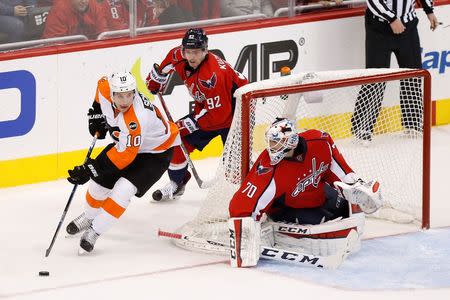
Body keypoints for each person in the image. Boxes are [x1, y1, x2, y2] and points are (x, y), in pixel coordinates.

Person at [228, 118, 383, 267]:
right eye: (270, 142)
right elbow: (240, 205)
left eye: (276, 142)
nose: (271, 148)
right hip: (287, 208)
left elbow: (342, 171)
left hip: (317, 195)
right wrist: (244, 235)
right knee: (322, 220)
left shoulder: (320, 141)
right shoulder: (268, 169)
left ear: (291, 142)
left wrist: (357, 186)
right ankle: (288, 237)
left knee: (345, 207)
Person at [66, 72, 180, 253]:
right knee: (98, 185)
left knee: (123, 189)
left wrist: (90, 169)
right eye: (120, 95)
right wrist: (96, 112)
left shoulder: (136, 119)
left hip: (156, 153)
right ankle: (88, 217)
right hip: (125, 144)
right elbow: (100, 85)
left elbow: (126, 156)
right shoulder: (106, 87)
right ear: (112, 93)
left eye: (129, 94)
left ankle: (94, 231)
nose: (125, 100)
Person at [146, 28, 248, 201]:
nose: (191, 57)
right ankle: (177, 183)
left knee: (234, 166)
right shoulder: (179, 54)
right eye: (188, 51)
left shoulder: (213, 75)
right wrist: (156, 80)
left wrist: (187, 124)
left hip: (238, 115)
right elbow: (164, 67)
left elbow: (219, 116)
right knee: (177, 138)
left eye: (196, 52)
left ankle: (243, 194)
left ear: (205, 50)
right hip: (212, 110)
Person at [351, 0, 439, 141]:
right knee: (375, 79)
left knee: (413, 76)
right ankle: (362, 129)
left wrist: (429, 10)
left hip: (408, 26)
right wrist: (392, 18)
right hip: (379, 28)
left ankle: (413, 125)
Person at [42, 0, 108, 39]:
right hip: (66, 53)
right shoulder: (59, 10)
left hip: (91, 49)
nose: (84, 1)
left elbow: (103, 34)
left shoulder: (95, 6)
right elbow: (55, 44)